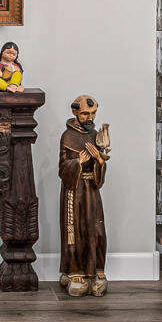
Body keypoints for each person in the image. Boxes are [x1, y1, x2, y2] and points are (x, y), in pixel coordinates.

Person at [58, 96, 110, 296]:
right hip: (74, 191)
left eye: (93, 113)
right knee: (76, 231)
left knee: (96, 229)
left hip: (92, 191)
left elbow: (101, 168)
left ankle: (97, 269)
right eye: (85, 114)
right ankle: (75, 270)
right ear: (75, 113)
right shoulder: (67, 136)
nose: (90, 117)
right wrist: (77, 162)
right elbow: (62, 168)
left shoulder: (96, 135)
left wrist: (98, 159)